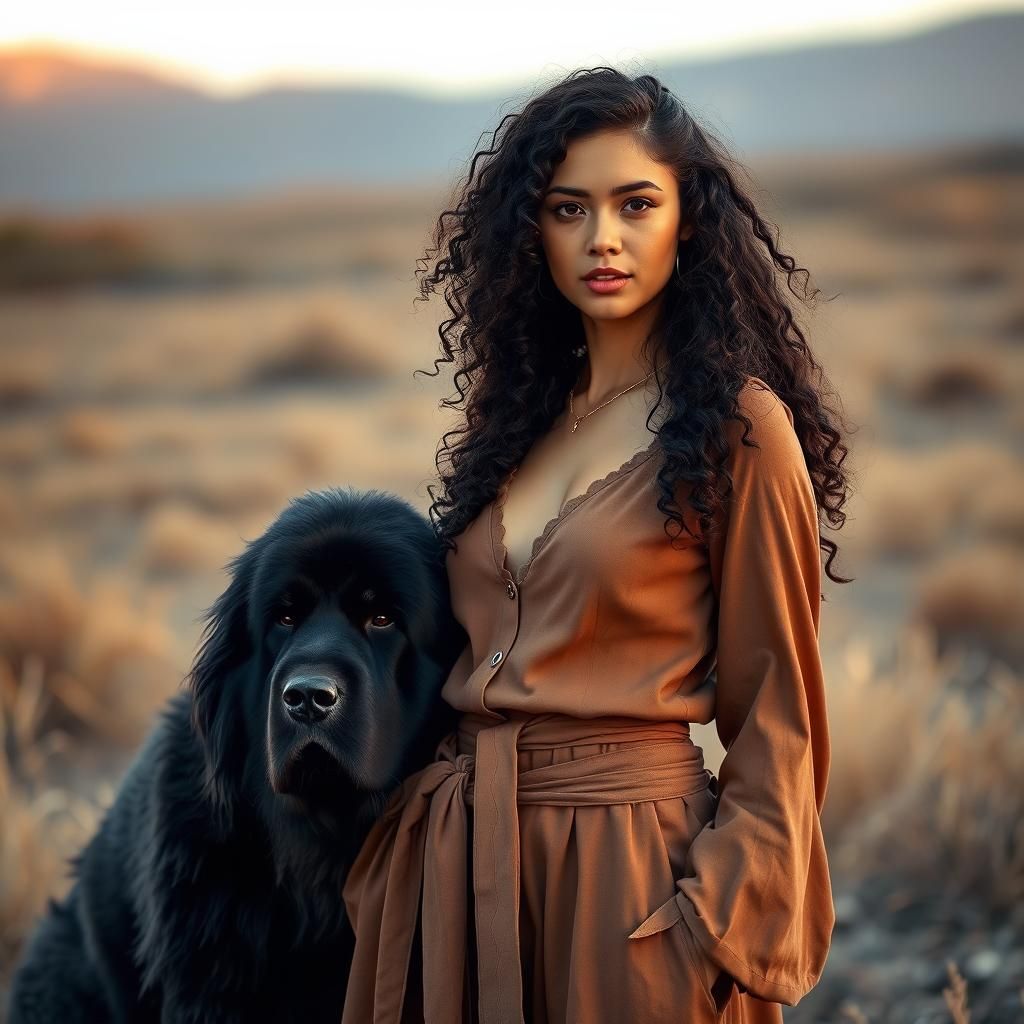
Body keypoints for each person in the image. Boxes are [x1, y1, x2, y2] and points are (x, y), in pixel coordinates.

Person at [340, 67, 853, 1024]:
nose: (601, 239)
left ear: (687, 221)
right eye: (568, 208)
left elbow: (779, 716)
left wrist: (714, 923)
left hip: (629, 873)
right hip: (461, 864)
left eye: (636, 204)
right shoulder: (521, 424)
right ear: (531, 231)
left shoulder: (740, 431)